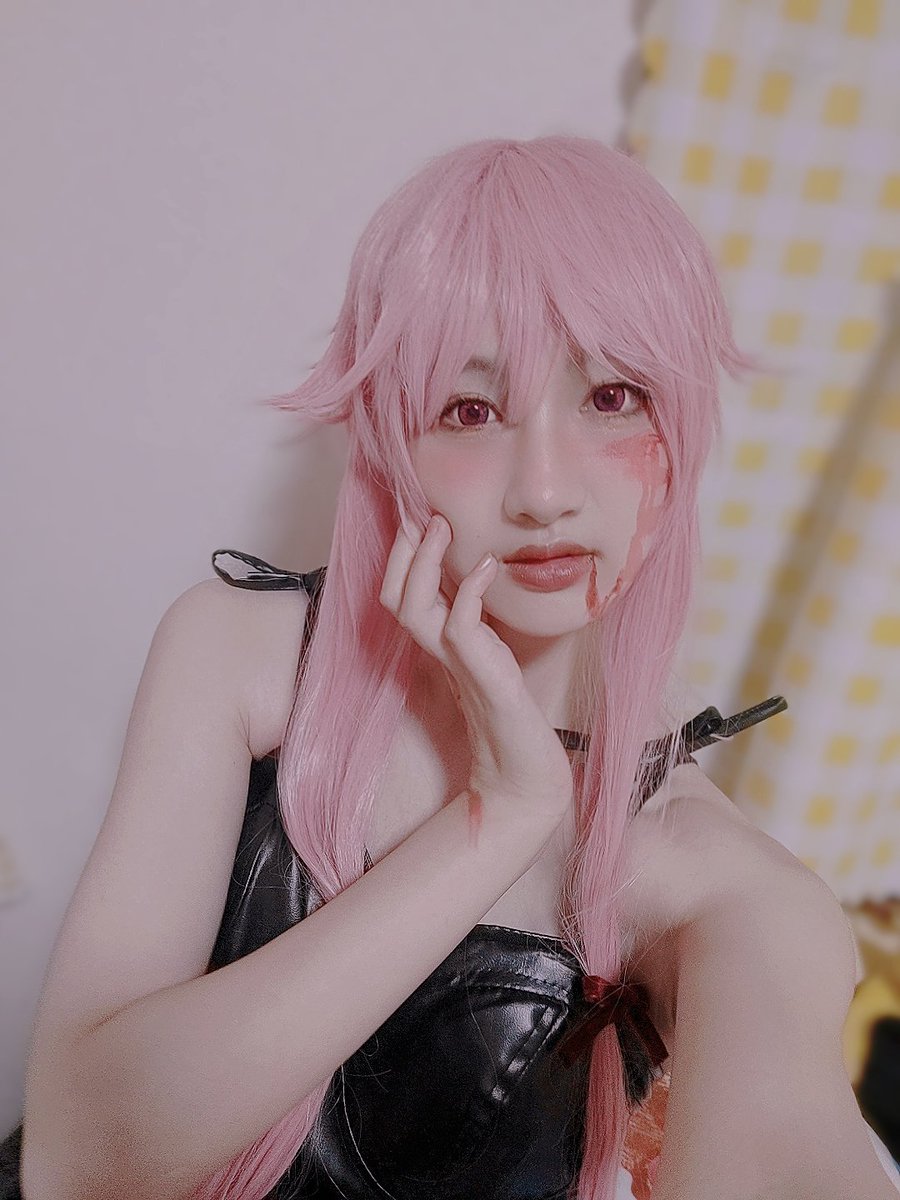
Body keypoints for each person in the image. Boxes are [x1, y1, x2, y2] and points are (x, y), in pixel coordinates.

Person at [15, 137, 900, 1200]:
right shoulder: (242, 660)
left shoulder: (711, 878)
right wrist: (498, 816)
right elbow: (77, 1164)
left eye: (612, 398)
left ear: (681, 431)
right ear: (393, 445)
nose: (544, 492)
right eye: (471, 412)